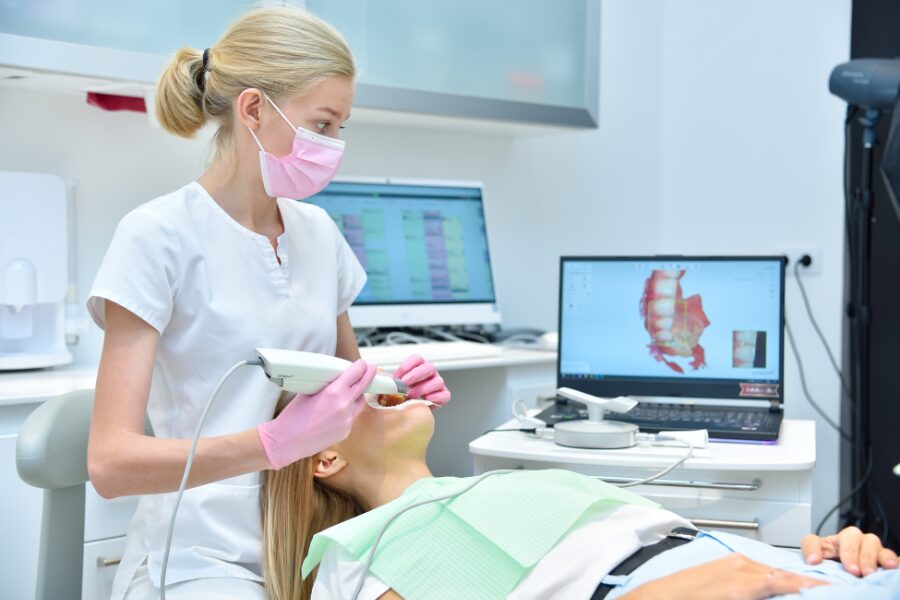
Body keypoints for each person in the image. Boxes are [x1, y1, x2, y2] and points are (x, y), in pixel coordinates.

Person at [85, 7, 450, 599]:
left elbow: (348, 392)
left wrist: (396, 388)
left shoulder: (319, 234)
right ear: (253, 109)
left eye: (341, 127)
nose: (334, 146)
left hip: (316, 539)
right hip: (201, 555)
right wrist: (275, 444)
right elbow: (110, 464)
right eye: (322, 124)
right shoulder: (157, 235)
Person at [261, 399, 900, 600]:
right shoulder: (356, 551)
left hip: (775, 568)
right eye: (343, 398)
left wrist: (824, 548)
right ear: (324, 457)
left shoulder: (486, 485)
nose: (375, 386)